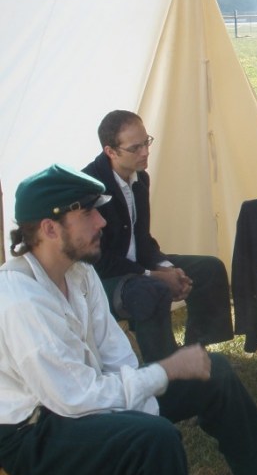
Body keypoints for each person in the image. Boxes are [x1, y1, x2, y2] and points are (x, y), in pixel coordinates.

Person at [0, 165, 257, 475]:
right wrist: (162, 374)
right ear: (49, 229)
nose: (102, 221)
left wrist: (149, 392)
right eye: (87, 213)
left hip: (79, 397)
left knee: (212, 372)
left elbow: (116, 355)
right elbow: (73, 399)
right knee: (153, 441)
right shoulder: (21, 301)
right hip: (32, 428)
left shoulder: (79, 273)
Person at [82, 110, 233, 364]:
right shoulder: (90, 187)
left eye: (146, 142)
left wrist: (167, 267)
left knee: (209, 269)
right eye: (135, 148)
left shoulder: (140, 178)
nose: (145, 152)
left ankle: (196, 351)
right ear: (111, 151)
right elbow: (99, 261)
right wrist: (152, 275)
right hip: (102, 279)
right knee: (150, 290)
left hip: (136, 267)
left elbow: (142, 238)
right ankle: (164, 367)